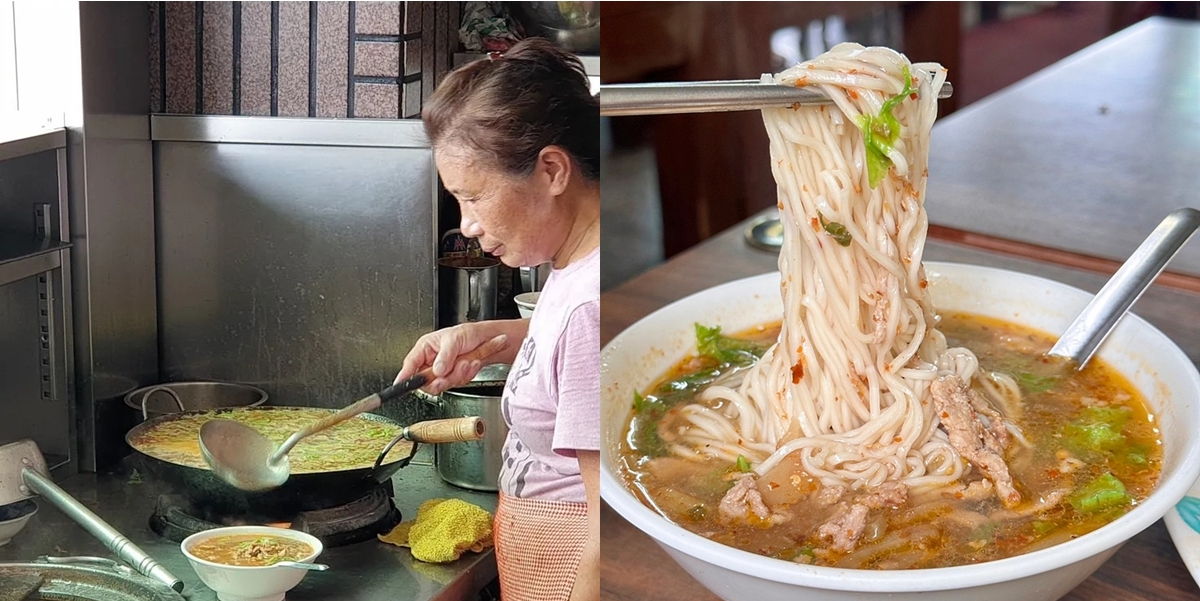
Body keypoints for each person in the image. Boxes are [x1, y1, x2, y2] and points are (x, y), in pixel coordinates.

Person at [393, 38, 599, 601]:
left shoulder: (589, 306)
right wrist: (492, 339)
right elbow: (570, 356)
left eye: (473, 197)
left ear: (552, 170)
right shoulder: (576, 266)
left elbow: (612, 525)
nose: (468, 225)